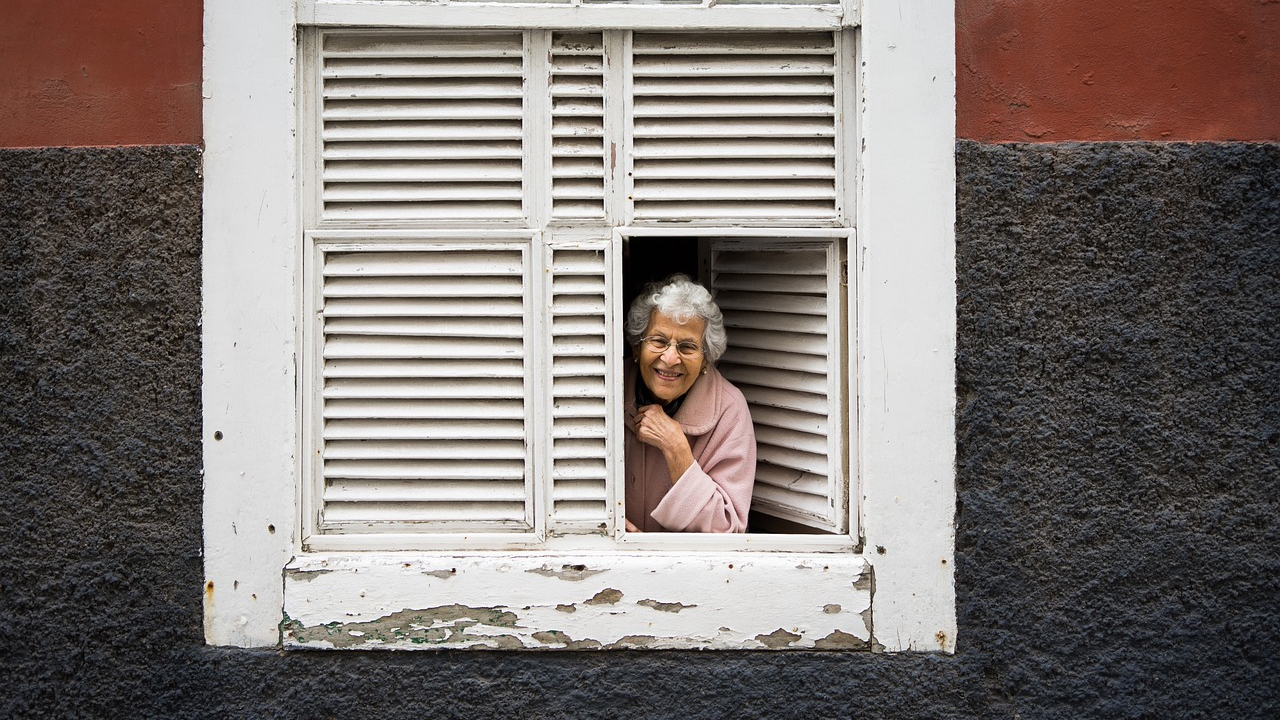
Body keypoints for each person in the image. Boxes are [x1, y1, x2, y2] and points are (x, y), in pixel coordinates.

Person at [624, 274, 756, 532]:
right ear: (637, 349)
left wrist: (676, 448)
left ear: (706, 360)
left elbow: (727, 531)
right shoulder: (604, 389)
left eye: (687, 347)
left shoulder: (729, 410)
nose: (671, 358)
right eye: (659, 341)